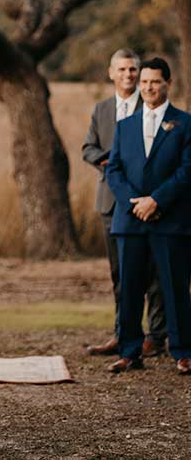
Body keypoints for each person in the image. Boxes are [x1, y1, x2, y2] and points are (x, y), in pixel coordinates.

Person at [105, 57, 191, 375]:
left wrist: (157, 200)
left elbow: (187, 170)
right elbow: (113, 169)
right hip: (130, 221)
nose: (148, 88)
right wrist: (135, 203)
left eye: (154, 81)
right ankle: (129, 351)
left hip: (170, 221)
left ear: (167, 83)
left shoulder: (185, 124)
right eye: (143, 82)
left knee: (175, 287)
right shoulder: (125, 125)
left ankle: (182, 351)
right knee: (129, 289)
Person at [82, 49, 166, 358]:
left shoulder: (154, 106)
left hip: (149, 201)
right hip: (110, 202)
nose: (129, 75)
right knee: (121, 275)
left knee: (155, 272)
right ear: (111, 73)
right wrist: (105, 160)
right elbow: (87, 147)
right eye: (123, 70)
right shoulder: (102, 109)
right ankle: (124, 334)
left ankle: (156, 337)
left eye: (133, 70)